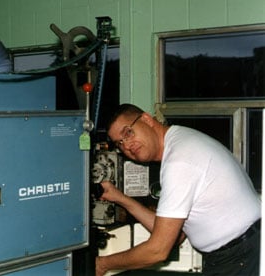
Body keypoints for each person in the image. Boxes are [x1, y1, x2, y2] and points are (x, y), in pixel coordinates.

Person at [95, 103, 261, 276]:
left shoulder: (179, 161)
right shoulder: (181, 139)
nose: (127, 145)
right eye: (120, 143)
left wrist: (103, 264)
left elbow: (158, 251)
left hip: (240, 256)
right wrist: (119, 198)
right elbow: (175, 235)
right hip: (241, 251)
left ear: (146, 120)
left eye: (128, 132)